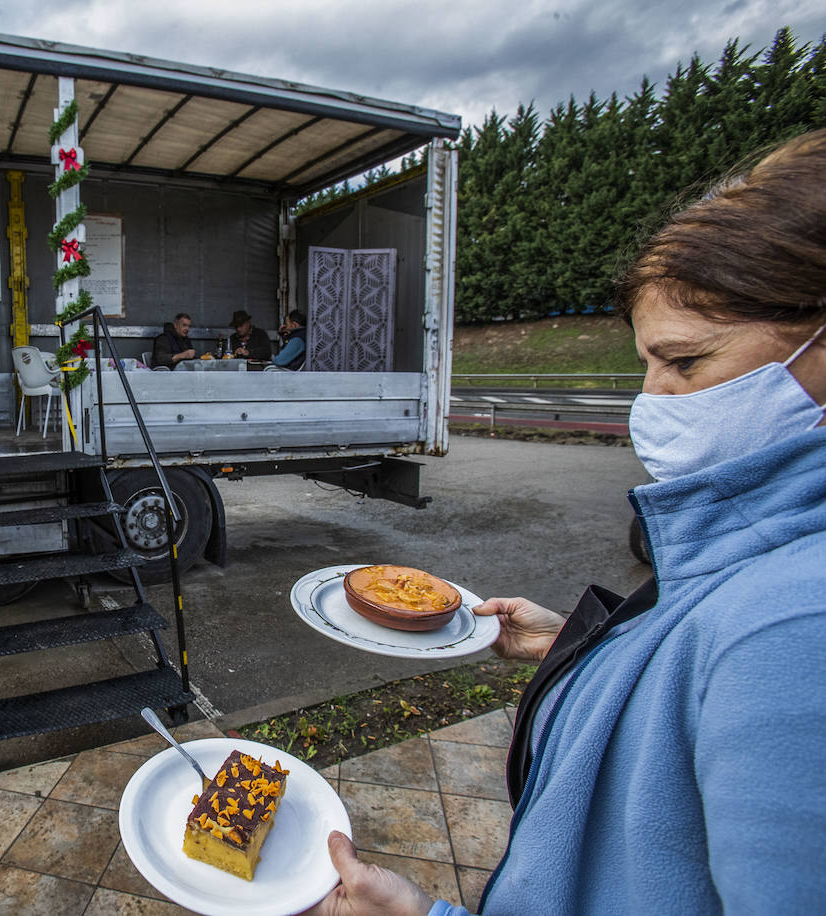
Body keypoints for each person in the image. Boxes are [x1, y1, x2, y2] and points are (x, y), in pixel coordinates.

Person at [309, 128, 826, 915]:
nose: (650, 400)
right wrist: (587, 650)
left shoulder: (794, 627)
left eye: (687, 362)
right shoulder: (763, 562)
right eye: (645, 364)